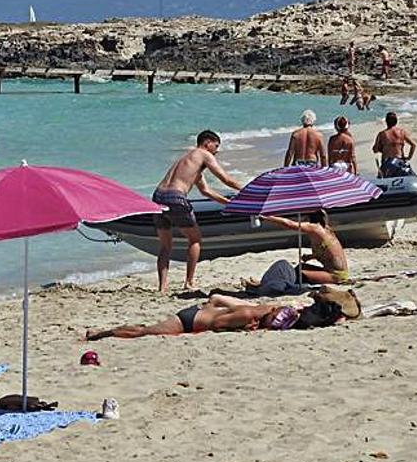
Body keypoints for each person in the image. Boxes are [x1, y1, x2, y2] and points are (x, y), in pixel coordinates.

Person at [152, 130, 244, 292]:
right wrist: (247, 190)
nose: (217, 151)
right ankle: (189, 282)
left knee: (165, 246)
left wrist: (229, 203)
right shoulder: (203, 154)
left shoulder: (188, 160)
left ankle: (162, 287)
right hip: (176, 197)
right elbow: (226, 179)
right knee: (195, 240)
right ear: (207, 143)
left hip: (158, 197)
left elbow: (206, 191)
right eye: (216, 146)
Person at [84, 288, 360, 340]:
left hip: (200, 314)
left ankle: (107, 331)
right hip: (191, 320)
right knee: (145, 333)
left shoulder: (263, 310)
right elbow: (216, 324)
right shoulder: (250, 316)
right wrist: (241, 328)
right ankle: (103, 333)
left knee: (148, 328)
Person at [257, 210, 351, 285]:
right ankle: (266, 282)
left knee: (299, 273)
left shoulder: (315, 228)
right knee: (300, 267)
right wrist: (311, 256)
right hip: (335, 271)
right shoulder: (326, 229)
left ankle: (263, 285)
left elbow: (290, 224)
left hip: (336, 276)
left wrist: (267, 217)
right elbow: (329, 253)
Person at [372, 111, 417, 178]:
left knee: (382, 180)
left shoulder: (382, 134)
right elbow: (413, 145)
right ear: (396, 121)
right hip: (400, 161)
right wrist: (409, 157)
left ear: (386, 122)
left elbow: (375, 150)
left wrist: (382, 149)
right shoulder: (402, 132)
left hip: (387, 162)